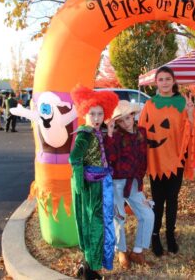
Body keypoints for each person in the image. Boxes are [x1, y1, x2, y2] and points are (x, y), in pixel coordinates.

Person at [138, 66, 195, 257]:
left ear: (173, 81)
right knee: (158, 200)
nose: (164, 83)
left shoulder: (183, 103)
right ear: (156, 83)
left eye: (168, 79)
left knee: (172, 199)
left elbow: (193, 131)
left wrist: (190, 114)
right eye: (161, 79)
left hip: (176, 160)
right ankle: (155, 235)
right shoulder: (150, 105)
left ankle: (170, 235)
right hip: (157, 160)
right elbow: (142, 131)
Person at [69, 85, 119, 280]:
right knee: (95, 224)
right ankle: (91, 266)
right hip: (92, 186)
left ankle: (91, 264)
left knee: (99, 222)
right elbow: (74, 158)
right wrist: (82, 180)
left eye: (100, 114)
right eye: (92, 114)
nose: (97, 118)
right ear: (84, 114)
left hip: (100, 183)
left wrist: (111, 132)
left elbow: (102, 155)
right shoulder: (85, 133)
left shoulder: (95, 131)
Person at [105, 100, 154, 269]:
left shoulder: (142, 132)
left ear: (133, 116)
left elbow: (142, 158)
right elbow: (110, 158)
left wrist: (140, 182)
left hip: (134, 182)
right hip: (116, 182)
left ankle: (138, 251)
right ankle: (122, 251)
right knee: (119, 217)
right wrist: (110, 135)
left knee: (148, 215)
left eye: (128, 118)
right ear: (116, 123)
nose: (125, 123)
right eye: (121, 120)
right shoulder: (115, 137)